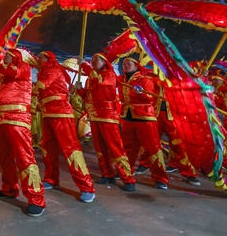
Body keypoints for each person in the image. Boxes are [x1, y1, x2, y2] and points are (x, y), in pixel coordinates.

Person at [0, 48, 46, 217]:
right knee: (4, 157)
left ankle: (36, 199)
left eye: (7, 54)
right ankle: (9, 188)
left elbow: (11, 71)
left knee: (24, 157)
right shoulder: (3, 77)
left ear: (15, 57)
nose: (4, 56)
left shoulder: (22, 68)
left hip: (18, 119)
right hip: (2, 119)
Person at [35, 51, 96, 203]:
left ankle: (86, 186)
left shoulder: (54, 69)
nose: (39, 59)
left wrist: (23, 89)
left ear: (49, 58)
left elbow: (42, 85)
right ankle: (51, 178)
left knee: (71, 149)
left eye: (42, 56)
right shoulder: (43, 72)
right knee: (48, 149)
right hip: (47, 114)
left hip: (61, 113)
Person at [80, 53, 136, 192]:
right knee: (100, 148)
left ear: (104, 62)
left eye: (96, 60)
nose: (93, 62)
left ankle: (128, 178)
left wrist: (85, 66)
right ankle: (107, 173)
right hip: (94, 116)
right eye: (92, 60)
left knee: (115, 148)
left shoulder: (110, 74)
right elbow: (89, 95)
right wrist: (79, 90)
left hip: (108, 116)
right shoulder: (91, 77)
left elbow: (101, 82)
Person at [117, 56, 169, 190]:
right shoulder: (121, 80)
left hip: (145, 118)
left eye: (128, 63)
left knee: (152, 148)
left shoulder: (145, 80)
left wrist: (140, 93)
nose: (125, 65)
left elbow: (150, 98)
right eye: (124, 63)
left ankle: (160, 178)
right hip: (128, 117)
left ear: (136, 65)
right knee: (128, 148)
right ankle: (126, 172)